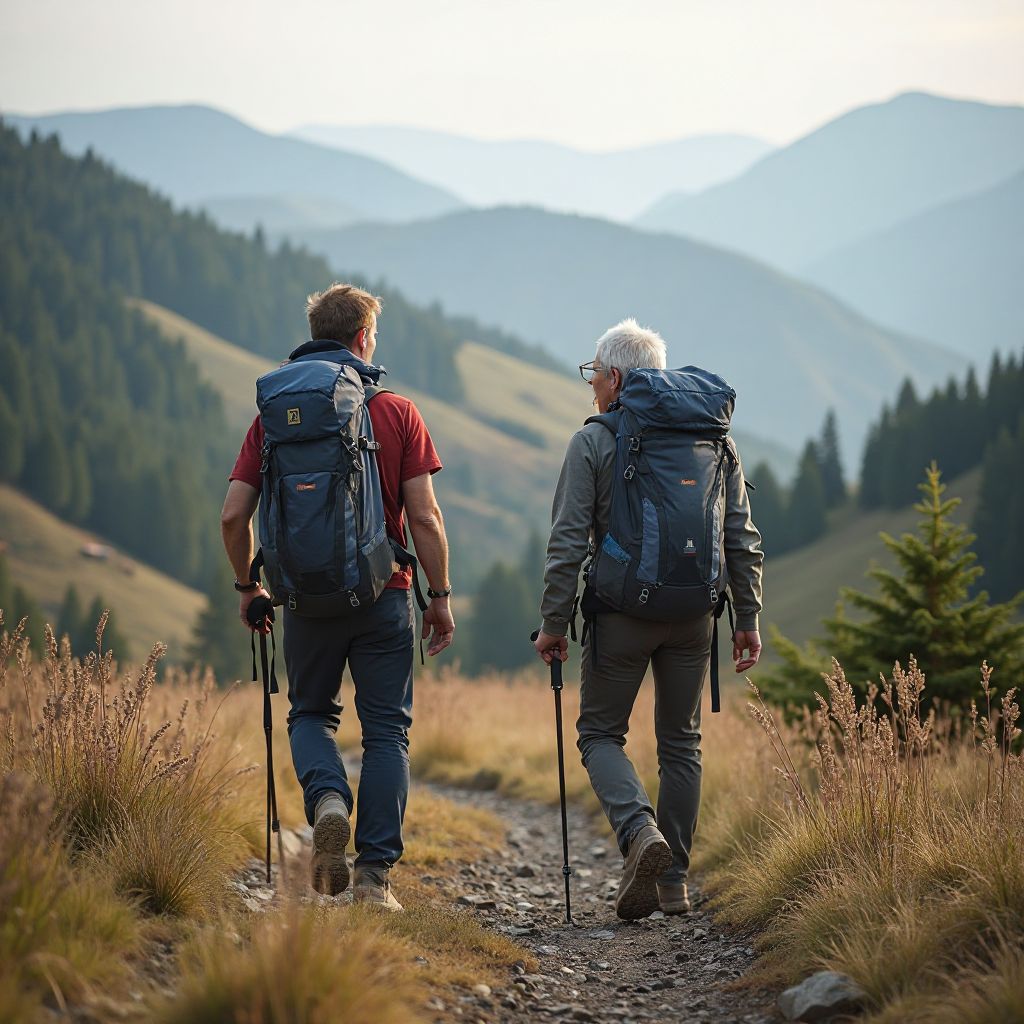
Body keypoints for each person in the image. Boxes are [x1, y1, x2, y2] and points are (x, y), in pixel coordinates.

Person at [221, 283, 454, 911]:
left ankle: (327, 802)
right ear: (362, 338)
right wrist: (440, 597)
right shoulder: (396, 411)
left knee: (310, 715)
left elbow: (232, 517)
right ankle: (375, 881)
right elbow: (425, 519)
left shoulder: (273, 415)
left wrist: (250, 587)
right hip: (385, 595)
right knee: (386, 733)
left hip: (304, 601)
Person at [533, 318, 763, 920]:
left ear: (614, 378)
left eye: (593, 376)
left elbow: (566, 542)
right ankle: (674, 885)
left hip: (622, 616)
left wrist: (554, 623)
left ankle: (640, 834)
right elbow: (740, 535)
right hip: (696, 615)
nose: (592, 389)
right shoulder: (715, 438)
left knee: (600, 734)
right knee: (681, 743)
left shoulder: (594, 441)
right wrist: (748, 617)